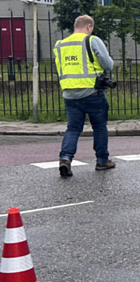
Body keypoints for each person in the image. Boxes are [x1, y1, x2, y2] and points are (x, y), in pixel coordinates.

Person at [54, 15, 116, 177]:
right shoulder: (92, 40)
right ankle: (102, 160)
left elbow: (60, 68)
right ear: (88, 26)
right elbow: (108, 64)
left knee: (73, 129)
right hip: (91, 92)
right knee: (99, 127)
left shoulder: (60, 44)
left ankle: (65, 158)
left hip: (69, 93)